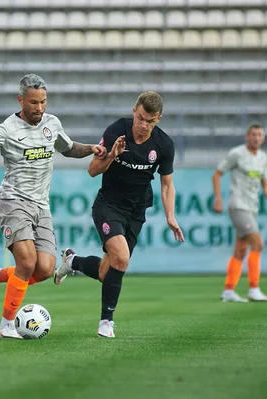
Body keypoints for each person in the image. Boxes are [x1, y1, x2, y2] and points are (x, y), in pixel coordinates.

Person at [0, 74, 106, 338]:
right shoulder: (7, 129)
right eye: (33, 102)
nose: (39, 108)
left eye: (43, 102)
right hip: (13, 201)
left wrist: (90, 148)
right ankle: (6, 325)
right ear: (21, 100)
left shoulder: (51, 124)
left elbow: (68, 148)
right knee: (28, 261)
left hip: (41, 206)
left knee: (44, 269)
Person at [53, 91, 185, 338]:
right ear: (135, 112)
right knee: (122, 259)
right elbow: (93, 170)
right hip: (108, 205)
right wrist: (112, 155)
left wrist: (170, 216)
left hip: (136, 211)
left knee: (107, 272)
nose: (144, 125)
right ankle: (106, 321)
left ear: (158, 119)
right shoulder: (117, 131)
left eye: (151, 121)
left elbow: (167, 184)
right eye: (141, 118)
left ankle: (72, 261)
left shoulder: (164, 144)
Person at [212, 124, 267, 303]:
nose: (256, 138)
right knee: (258, 244)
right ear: (247, 136)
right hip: (238, 206)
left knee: (240, 251)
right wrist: (218, 199)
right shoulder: (237, 154)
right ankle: (254, 288)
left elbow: (266, 186)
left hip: (252, 208)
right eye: (253, 134)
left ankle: (228, 291)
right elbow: (216, 174)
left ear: (263, 138)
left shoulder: (263, 157)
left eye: (260, 135)